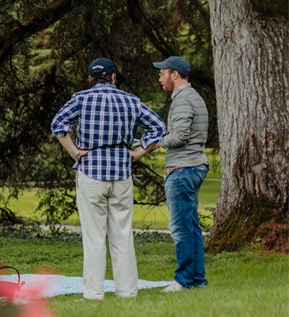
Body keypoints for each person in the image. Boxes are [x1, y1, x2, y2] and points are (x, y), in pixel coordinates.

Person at [51, 57, 166, 300]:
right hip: (121, 173)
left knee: (94, 238)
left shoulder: (81, 99)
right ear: (113, 76)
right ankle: (127, 292)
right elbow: (158, 128)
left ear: (91, 78)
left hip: (91, 171)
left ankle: (93, 294)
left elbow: (58, 124)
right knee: (122, 236)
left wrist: (74, 152)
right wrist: (139, 152)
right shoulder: (130, 101)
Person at [148, 55, 210, 293]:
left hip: (182, 169)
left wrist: (156, 143)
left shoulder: (183, 100)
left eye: (162, 73)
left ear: (175, 74)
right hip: (192, 167)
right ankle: (197, 279)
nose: (160, 77)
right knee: (191, 226)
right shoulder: (193, 97)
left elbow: (180, 136)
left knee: (180, 228)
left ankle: (183, 279)